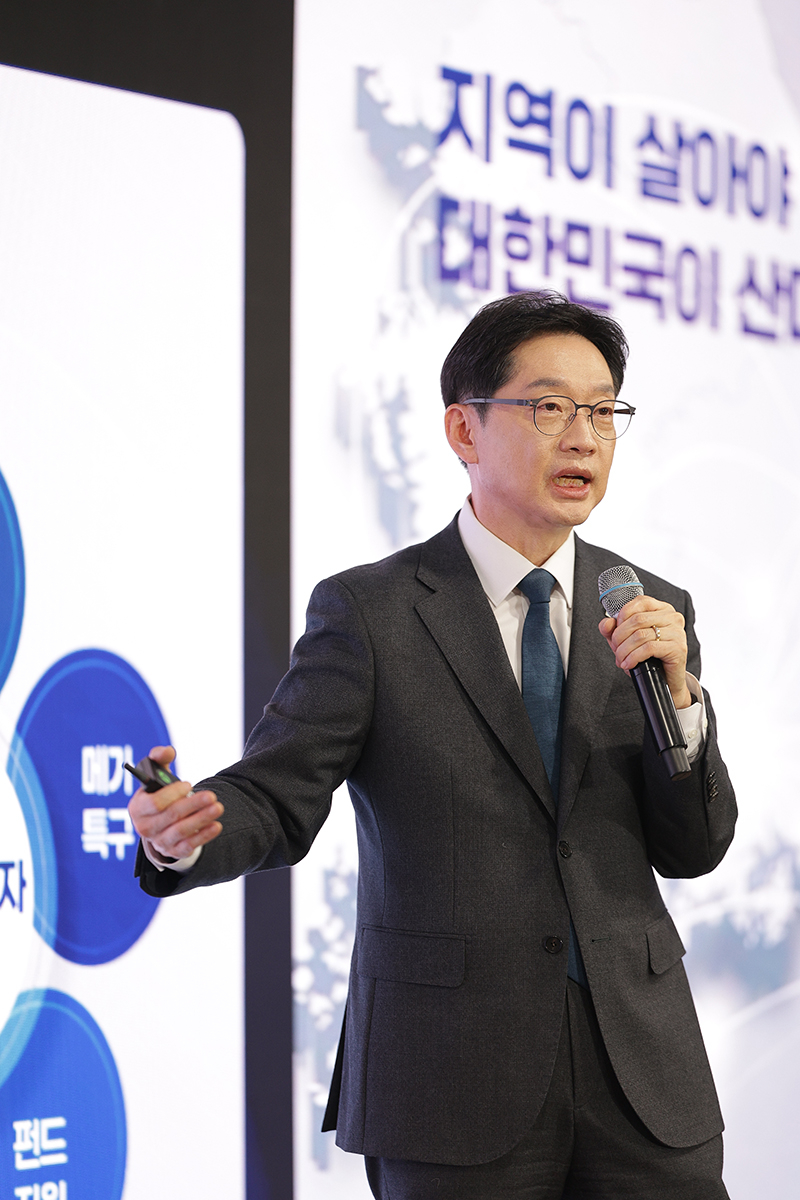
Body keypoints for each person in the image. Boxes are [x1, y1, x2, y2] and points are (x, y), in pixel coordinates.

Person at [130, 291, 736, 1199]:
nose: (584, 437)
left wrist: (681, 701)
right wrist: (185, 834)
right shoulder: (372, 611)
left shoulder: (650, 610)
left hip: (644, 1075)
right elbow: (276, 794)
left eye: (604, 410)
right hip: (451, 1077)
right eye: (550, 407)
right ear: (464, 428)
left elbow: (695, 847)